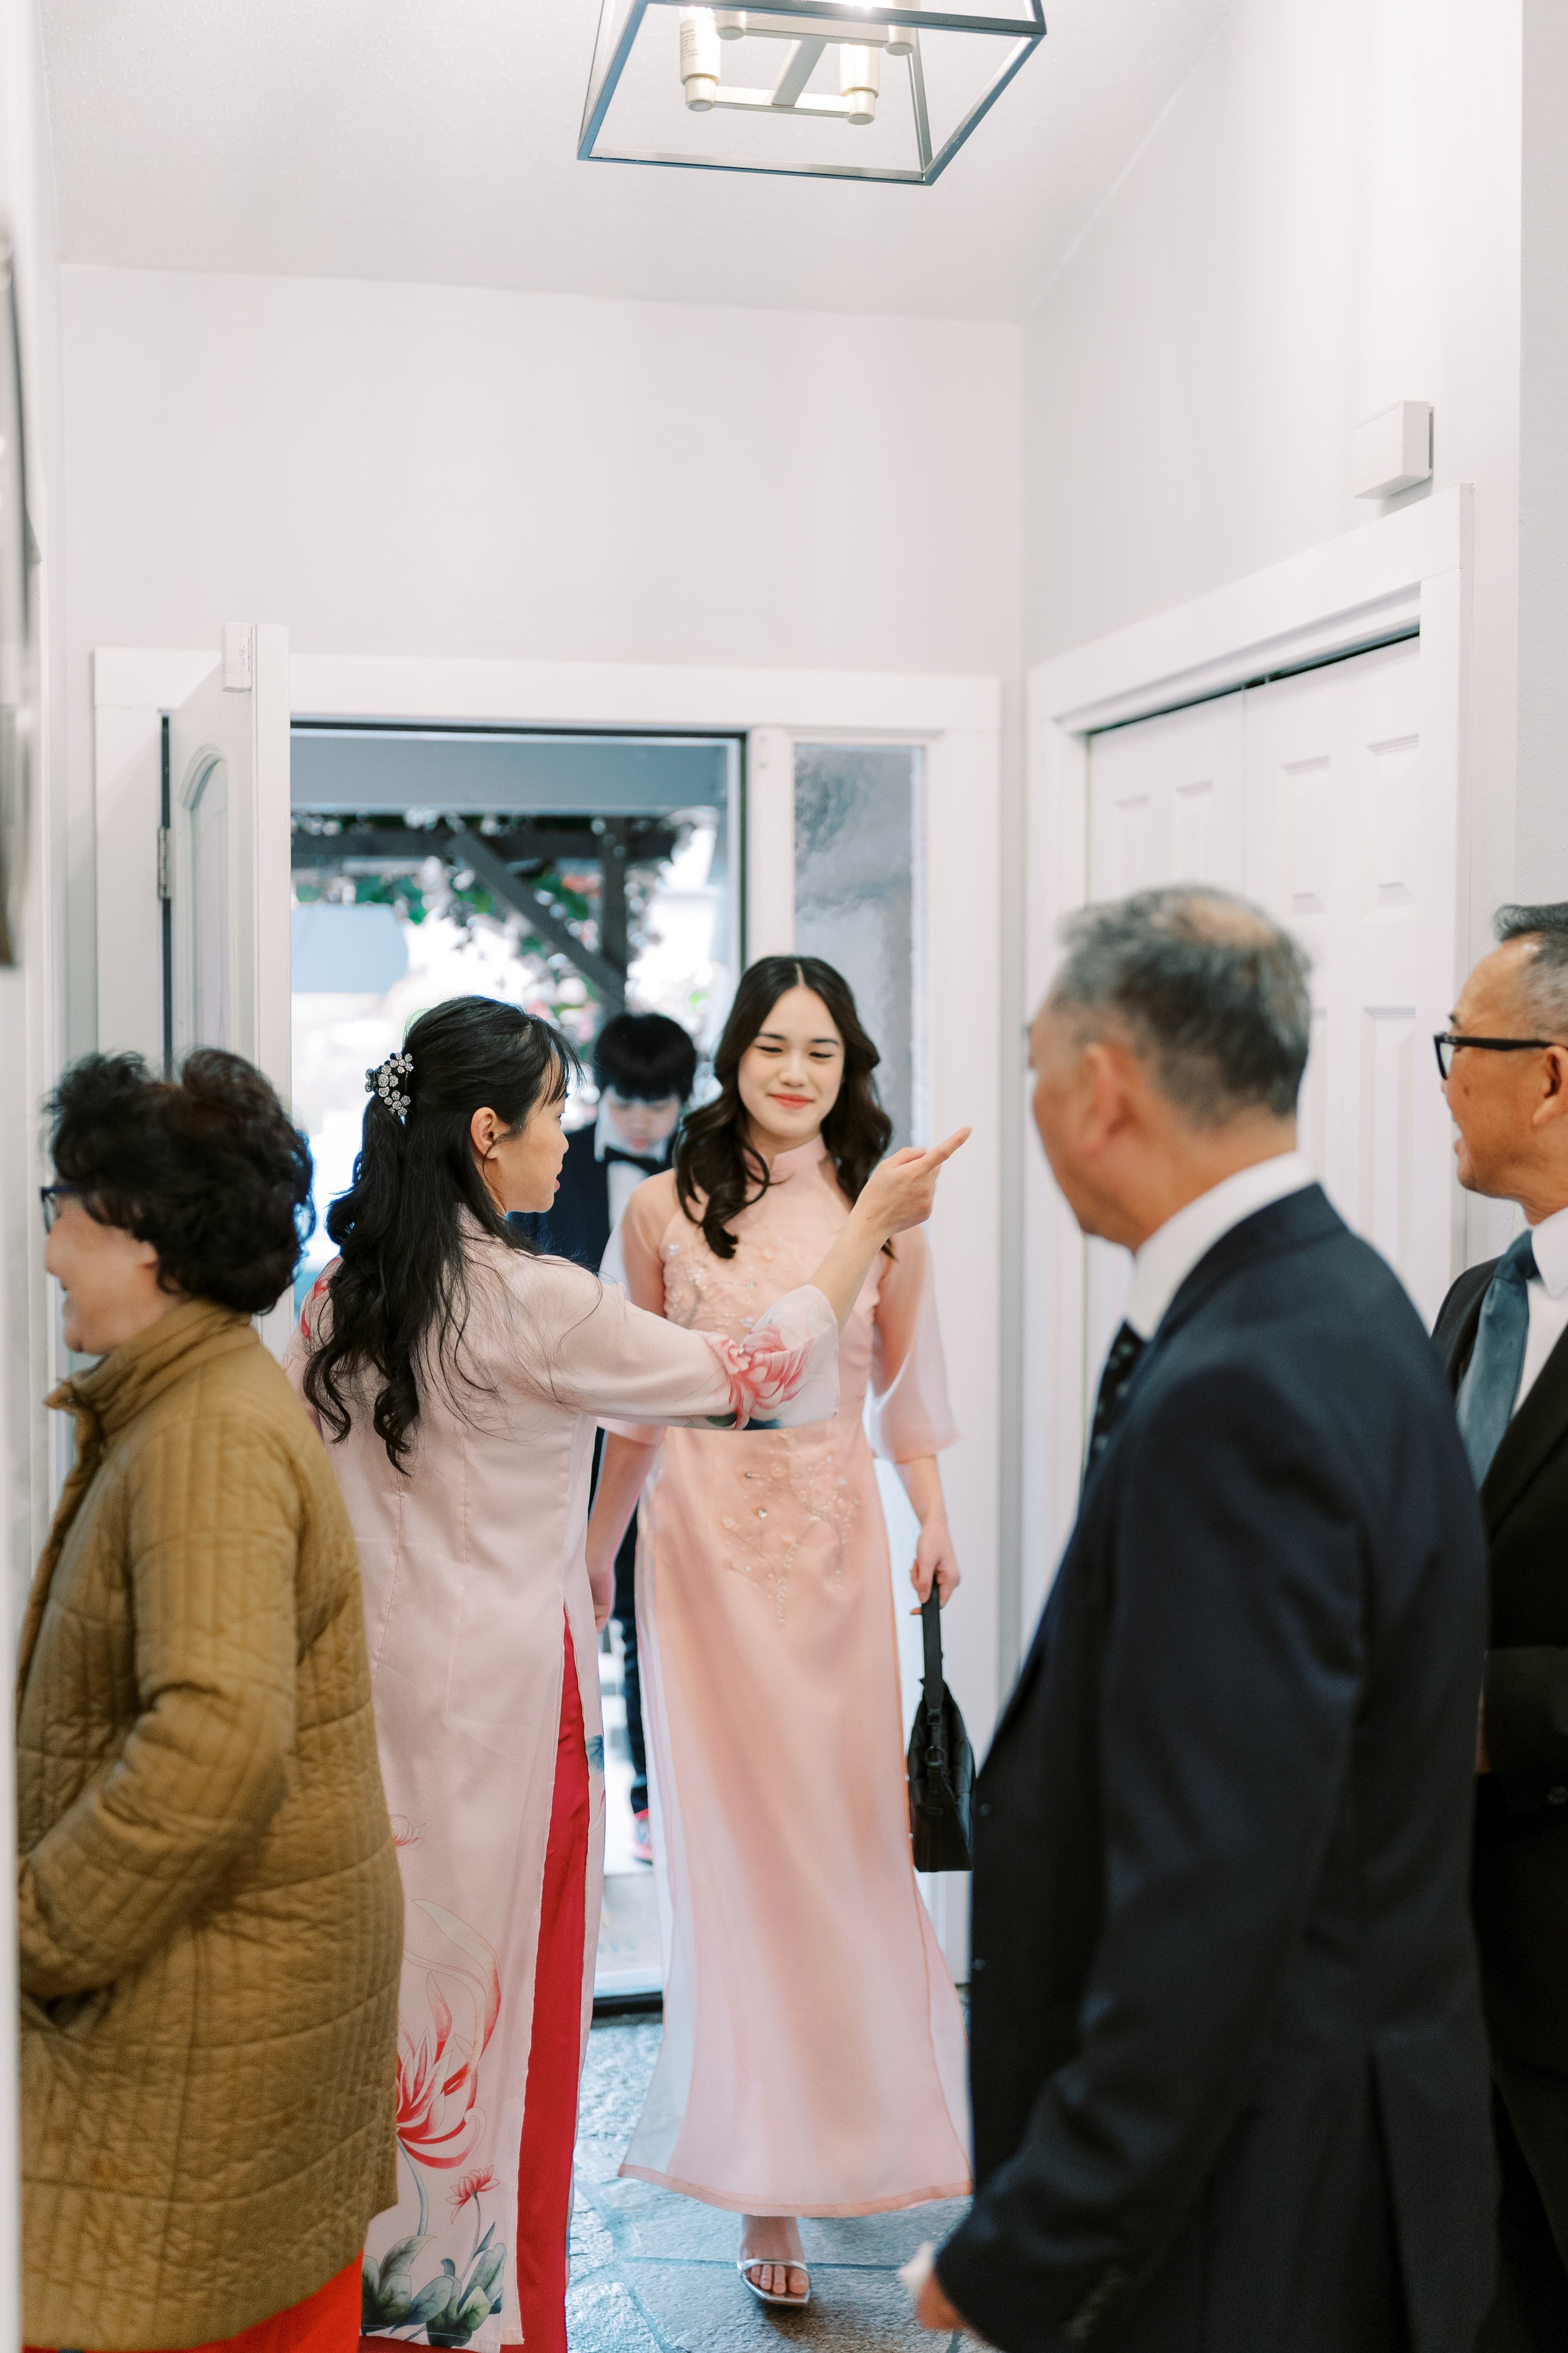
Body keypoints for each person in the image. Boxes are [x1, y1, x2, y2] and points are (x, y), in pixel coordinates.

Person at [288, 992, 965, 2353]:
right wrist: (864, 1232)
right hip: (499, 1728)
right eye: (546, 1118)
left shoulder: (325, 1305)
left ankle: (378, 2312)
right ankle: (474, 2321)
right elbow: (762, 1371)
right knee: (498, 2044)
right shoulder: (539, 1303)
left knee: (386, 2031)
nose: (565, 1142)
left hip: (357, 1725)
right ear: (487, 1135)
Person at [916, 886, 1496, 2353]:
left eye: (1038, 1067)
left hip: (1252, 2214)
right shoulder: (1343, 1298)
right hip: (1317, 2157)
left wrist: (1031, 2241)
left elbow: (1211, 1895)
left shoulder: (1245, 1386)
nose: (1036, 1106)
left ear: (1101, 1088)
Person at [586, 955, 971, 2312]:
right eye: (770, 1046)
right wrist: (592, 1554)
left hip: (831, 1540)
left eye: (818, 1049)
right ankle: (765, 2181)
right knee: (732, 1858)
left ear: (846, 1064)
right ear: (732, 1058)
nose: (794, 1071)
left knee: (842, 1842)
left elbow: (904, 1391)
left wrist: (929, 1514)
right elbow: (633, 1407)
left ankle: (862, 2131)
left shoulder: (887, 1217)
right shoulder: (655, 1209)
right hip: (694, 1540)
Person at [19, 1050, 403, 2353]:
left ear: (149, 1237)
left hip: (215, 2013)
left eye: (66, 1203)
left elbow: (214, 1743)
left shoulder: (208, 1436)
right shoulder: (188, 1400)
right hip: (232, 2001)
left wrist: (38, 1930)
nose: (52, 1240)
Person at [1431, 901, 1568, 2351]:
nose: (1447, 1081)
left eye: (1457, 1048)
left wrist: (1494, 1716)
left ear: (1548, 1075)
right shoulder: (1479, 1301)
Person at [516, 1008, 699, 1863]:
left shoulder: (706, 1172)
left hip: (677, 1420)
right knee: (589, 1596)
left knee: (661, 1609)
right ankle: (570, 1791)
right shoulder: (554, 1162)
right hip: (576, 1420)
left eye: (658, 1104)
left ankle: (657, 1800)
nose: (640, 1120)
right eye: (626, 1100)